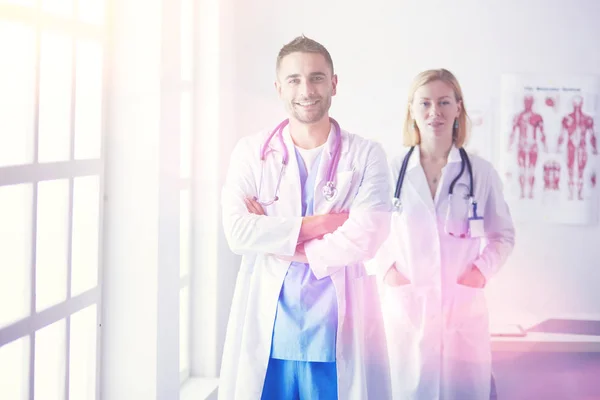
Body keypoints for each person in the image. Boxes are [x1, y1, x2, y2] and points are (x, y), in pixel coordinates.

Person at [219, 35, 392, 400]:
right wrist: (321, 226)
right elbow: (237, 232)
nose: (306, 89)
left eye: (316, 77)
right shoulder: (252, 152)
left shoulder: (366, 155)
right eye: (294, 79)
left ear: (334, 84)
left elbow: (368, 235)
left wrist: (282, 244)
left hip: (335, 327)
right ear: (279, 87)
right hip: (271, 326)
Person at [375, 68, 515, 400]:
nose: (434, 112)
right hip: (407, 312)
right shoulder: (390, 172)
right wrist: (388, 272)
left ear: (458, 108)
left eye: (443, 102)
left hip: (461, 311)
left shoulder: (481, 173)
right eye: (424, 103)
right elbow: (370, 234)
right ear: (412, 110)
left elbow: (503, 235)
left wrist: (480, 272)